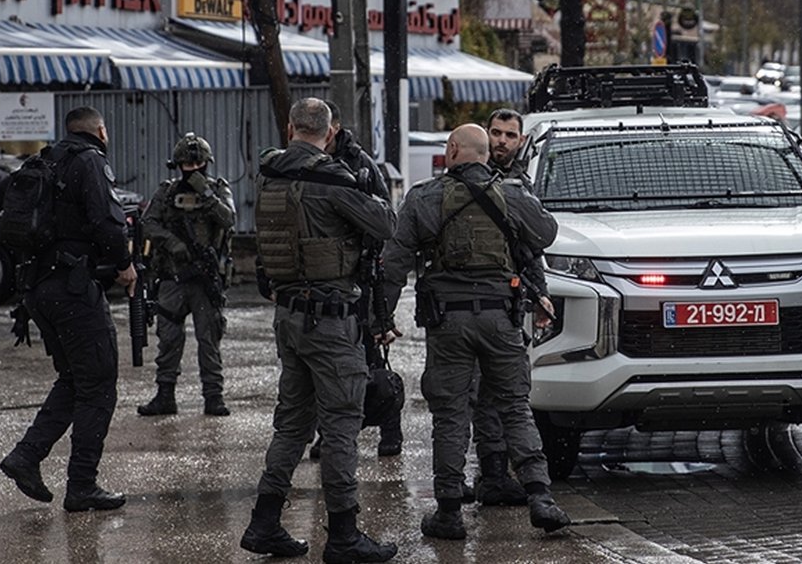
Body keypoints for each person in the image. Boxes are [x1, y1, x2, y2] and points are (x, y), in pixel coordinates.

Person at [0, 107, 137, 512]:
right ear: (101, 132)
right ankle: (82, 486)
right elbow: (109, 224)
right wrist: (125, 267)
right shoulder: (90, 163)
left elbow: (1, 193)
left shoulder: (43, 161)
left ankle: (26, 457)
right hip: (74, 290)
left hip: (38, 290)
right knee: (99, 385)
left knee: (76, 379)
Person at [378, 123, 571, 539]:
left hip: (447, 322)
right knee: (514, 406)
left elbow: (394, 263)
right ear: (485, 153)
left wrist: (381, 319)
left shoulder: (423, 197)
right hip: (500, 319)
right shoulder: (513, 193)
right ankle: (540, 497)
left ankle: (449, 513)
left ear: (451, 150)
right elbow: (546, 234)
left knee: (450, 415)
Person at [241, 98, 397, 563]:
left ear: (290, 128)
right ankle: (345, 536)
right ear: (329, 133)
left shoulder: (269, 173)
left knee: (291, 424)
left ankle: (264, 523)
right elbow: (386, 224)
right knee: (341, 425)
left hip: (288, 315)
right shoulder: (332, 177)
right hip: (330, 319)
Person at [305, 100, 402, 459]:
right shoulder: (308, 162)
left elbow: (383, 217)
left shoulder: (359, 164)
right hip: (328, 277)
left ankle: (390, 428)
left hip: (362, 274)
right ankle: (329, 431)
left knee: (372, 355)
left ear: (335, 129)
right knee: (328, 362)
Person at [469, 108, 554, 506]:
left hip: (506, 304)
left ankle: (494, 475)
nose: (502, 141)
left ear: (521, 141)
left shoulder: (521, 187)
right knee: (471, 398)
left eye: (509, 135)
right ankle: (483, 475)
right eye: (496, 133)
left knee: (499, 396)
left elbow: (531, 249)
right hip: (465, 308)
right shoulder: (464, 179)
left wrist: (540, 293)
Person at [136, 133, 236, 417]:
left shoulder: (217, 190)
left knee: (209, 340)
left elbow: (230, 219)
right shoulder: (167, 192)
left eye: (197, 165)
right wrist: (174, 243)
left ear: (206, 164)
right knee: (168, 338)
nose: (191, 171)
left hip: (204, 281)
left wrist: (204, 192)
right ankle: (165, 395)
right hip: (173, 278)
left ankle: (213, 397)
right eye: (186, 166)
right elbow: (149, 223)